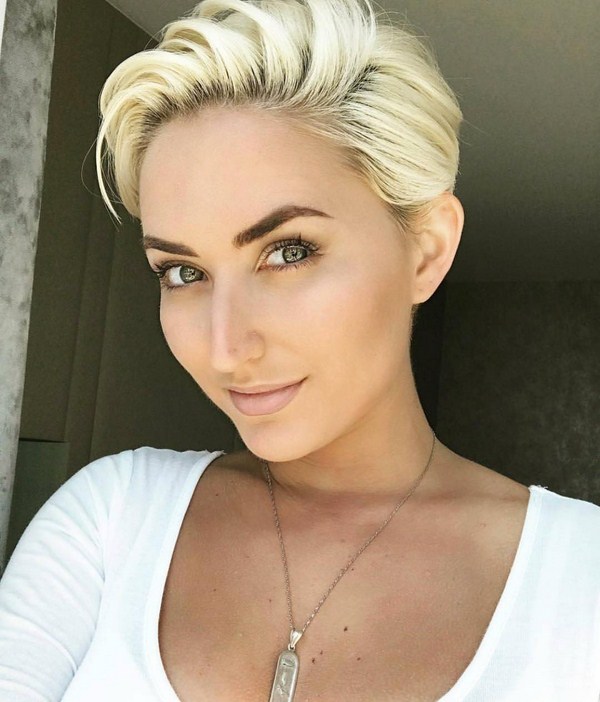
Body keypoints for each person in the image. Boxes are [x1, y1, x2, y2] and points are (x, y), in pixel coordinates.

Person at [1, 0, 599, 700]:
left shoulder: (581, 576)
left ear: (426, 250)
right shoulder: (110, 521)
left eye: (288, 252)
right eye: (183, 272)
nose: (226, 348)